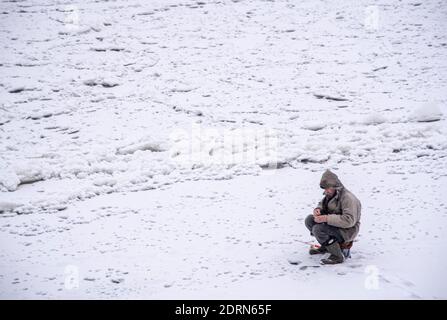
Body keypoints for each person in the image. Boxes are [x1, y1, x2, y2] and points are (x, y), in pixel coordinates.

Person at [304, 169, 361, 265]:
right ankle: (327, 247)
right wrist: (318, 210)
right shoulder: (331, 193)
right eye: (324, 189)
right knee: (309, 220)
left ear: (335, 186)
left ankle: (337, 256)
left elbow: (349, 220)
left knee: (318, 229)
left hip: (348, 231)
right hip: (336, 226)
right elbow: (322, 204)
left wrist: (326, 218)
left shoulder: (348, 198)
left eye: (328, 188)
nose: (326, 191)